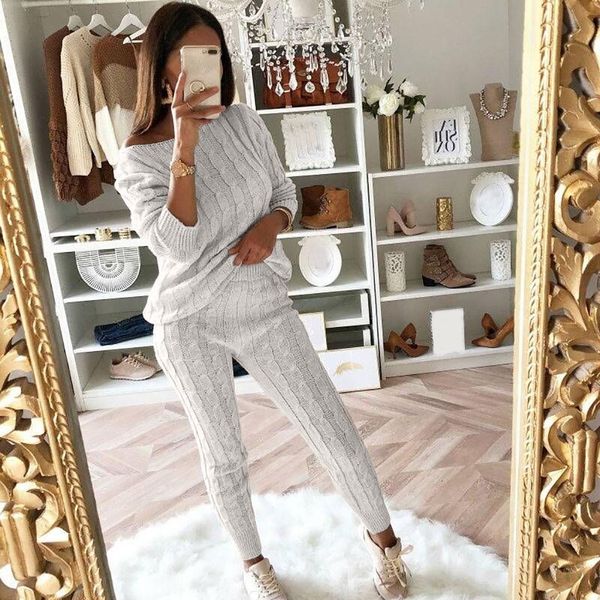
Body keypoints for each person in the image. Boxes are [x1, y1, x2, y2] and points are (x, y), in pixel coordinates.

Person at [113, 2, 413, 598]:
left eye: (214, 53)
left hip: (263, 306)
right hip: (189, 320)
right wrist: (185, 145)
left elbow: (285, 192)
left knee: (332, 429)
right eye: (191, 54)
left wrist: (270, 227)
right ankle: (254, 566)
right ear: (159, 64)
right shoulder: (136, 156)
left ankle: (385, 544)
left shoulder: (245, 122)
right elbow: (178, 243)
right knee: (223, 453)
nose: (206, 65)